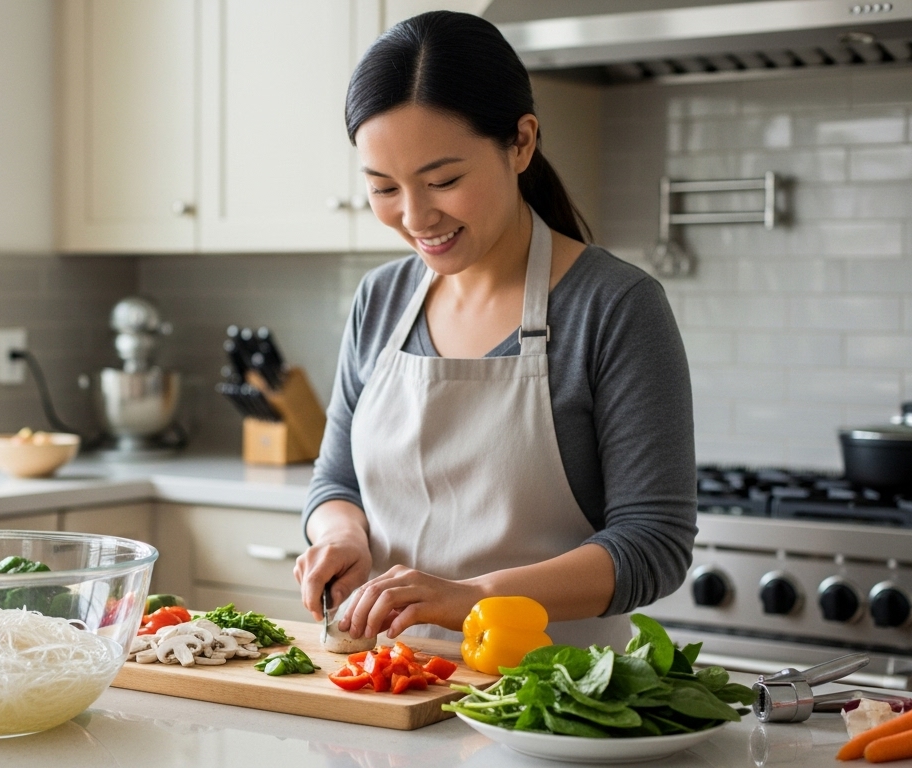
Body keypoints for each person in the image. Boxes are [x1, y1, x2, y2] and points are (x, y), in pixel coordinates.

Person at [293, 11, 697, 649]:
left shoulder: (615, 305)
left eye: (444, 181)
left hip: (555, 702)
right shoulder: (381, 298)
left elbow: (653, 544)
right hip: (391, 686)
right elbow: (337, 482)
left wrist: (473, 599)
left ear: (521, 143)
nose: (416, 216)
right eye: (383, 187)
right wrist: (341, 537)